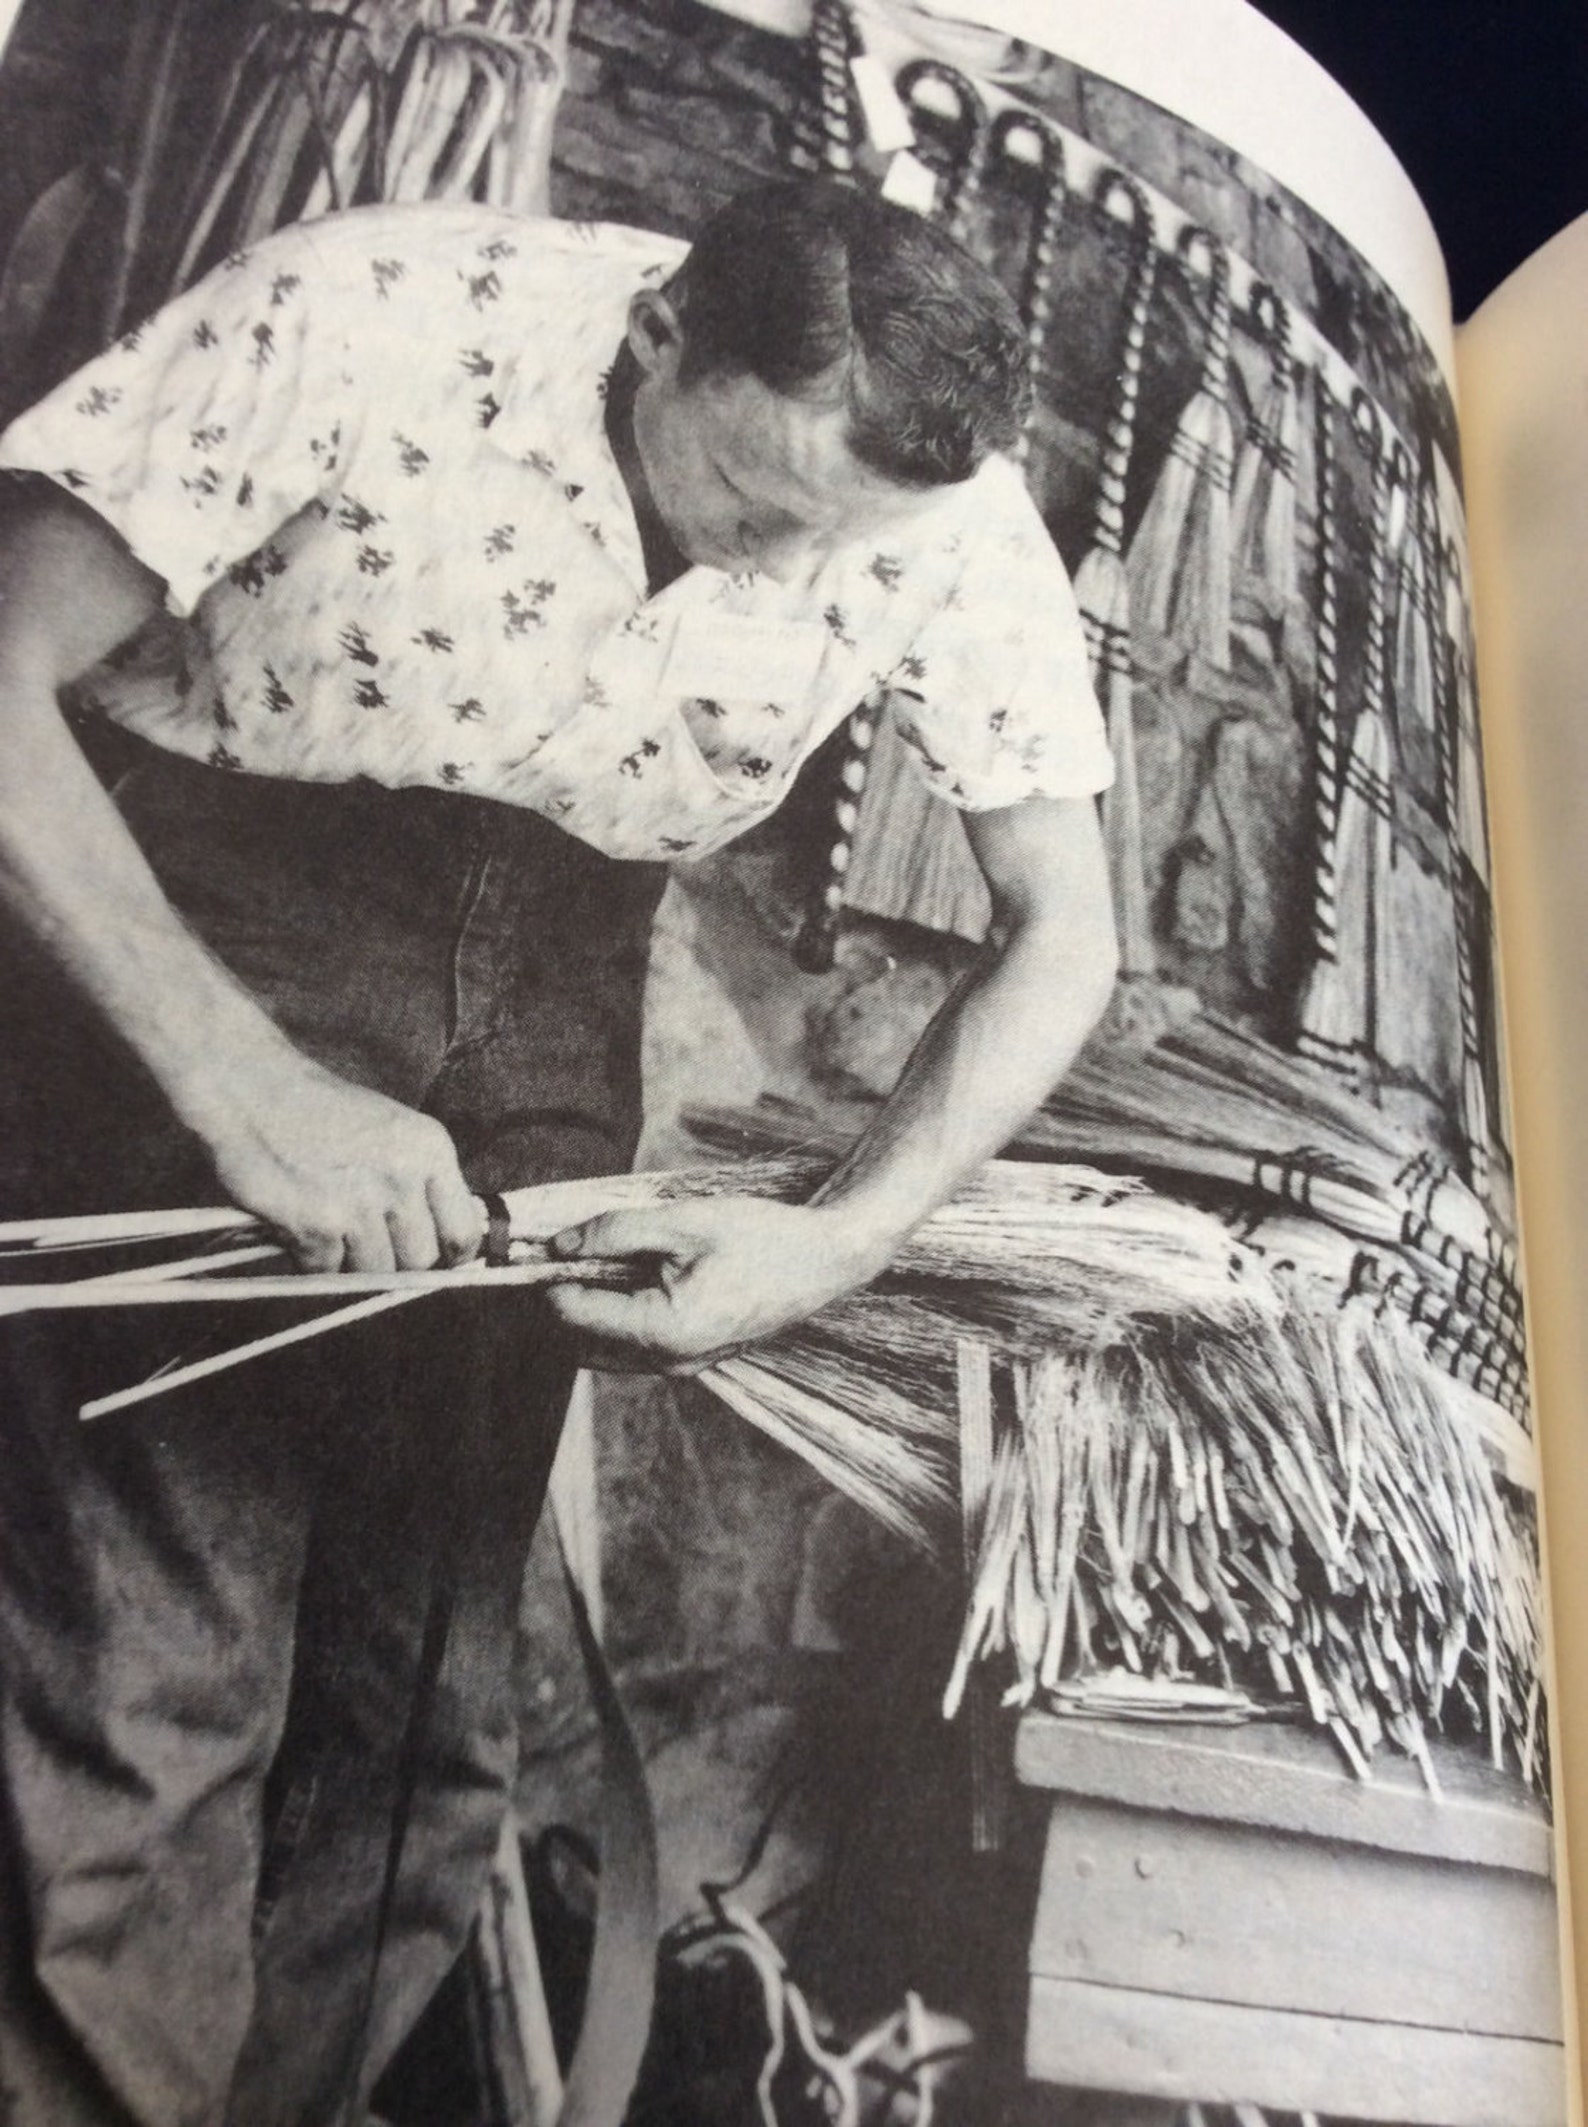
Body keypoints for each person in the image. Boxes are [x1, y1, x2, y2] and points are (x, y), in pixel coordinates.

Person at [0, 179, 1117, 2124]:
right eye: (754, 509)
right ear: (663, 332)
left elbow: (1067, 932)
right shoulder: (365, 311)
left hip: (562, 975)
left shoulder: (937, 520)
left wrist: (831, 1240)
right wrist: (238, 1080)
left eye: (826, 545)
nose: (777, 575)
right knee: (148, 1699)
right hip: (215, 909)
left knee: (421, 1730)